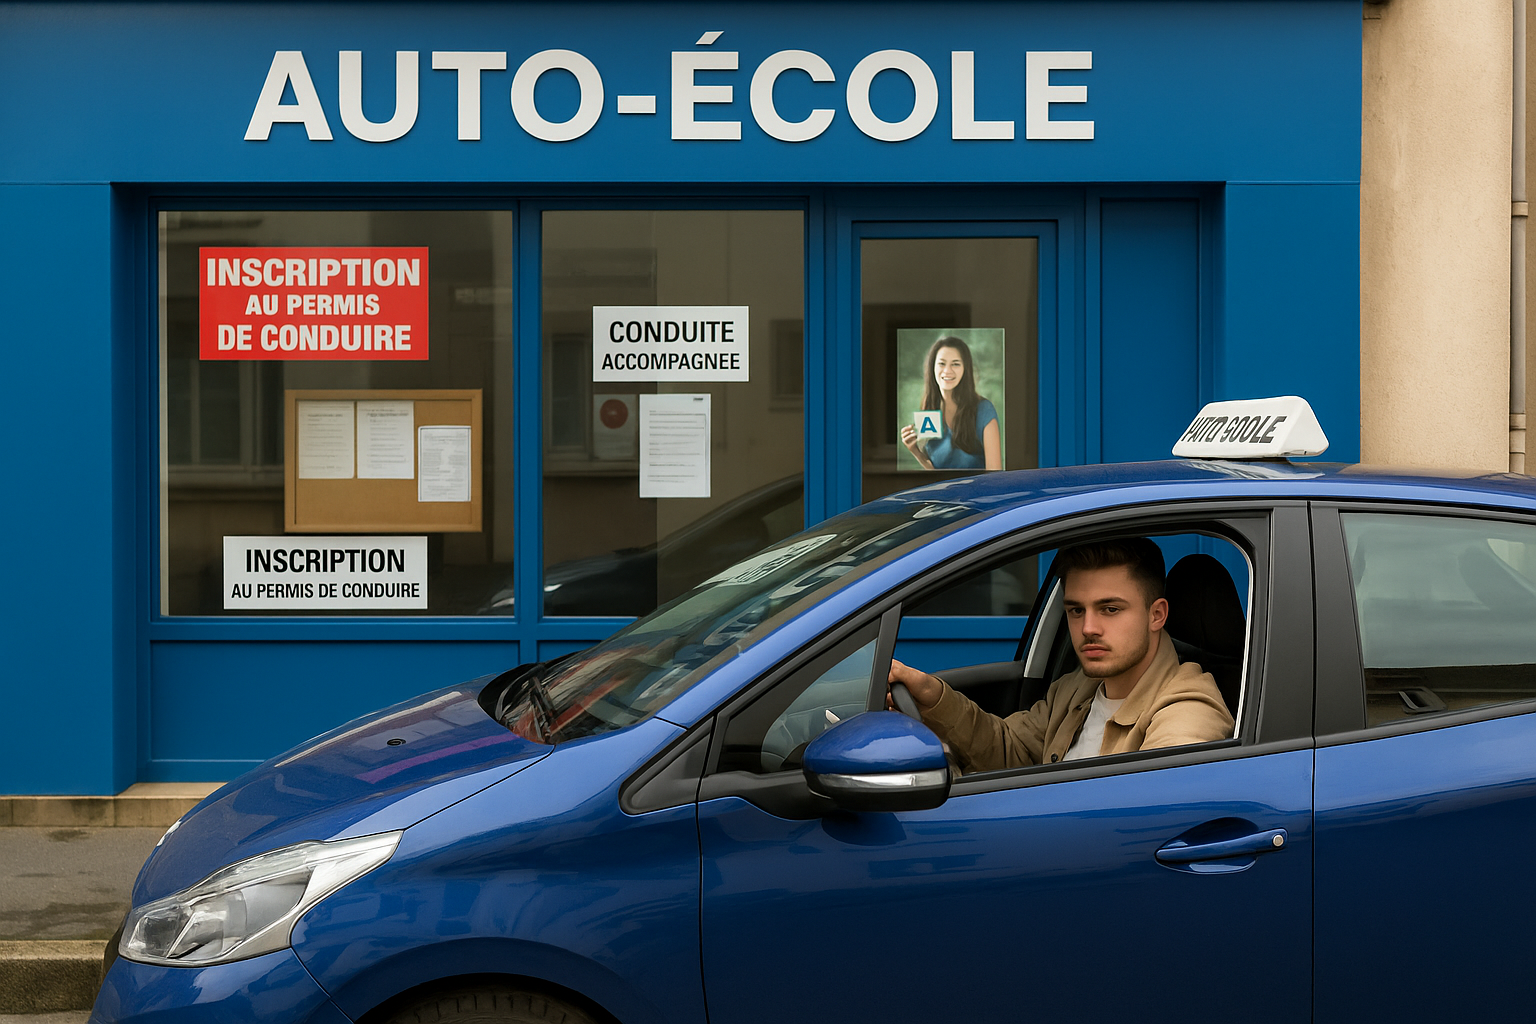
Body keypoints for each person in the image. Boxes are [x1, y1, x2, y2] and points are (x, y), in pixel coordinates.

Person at [887, 538, 1234, 773]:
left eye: (1110, 609)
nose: (1088, 628)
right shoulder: (1077, 688)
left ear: (1156, 615)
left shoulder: (1188, 709)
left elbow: (1152, 817)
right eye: (1076, 610)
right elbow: (1011, 749)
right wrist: (932, 696)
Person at [899, 336, 1003, 471]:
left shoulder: (984, 410)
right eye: (942, 364)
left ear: (965, 369)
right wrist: (915, 451)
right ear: (932, 368)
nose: (947, 371)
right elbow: (937, 475)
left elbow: (995, 475)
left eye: (955, 364)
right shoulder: (930, 411)